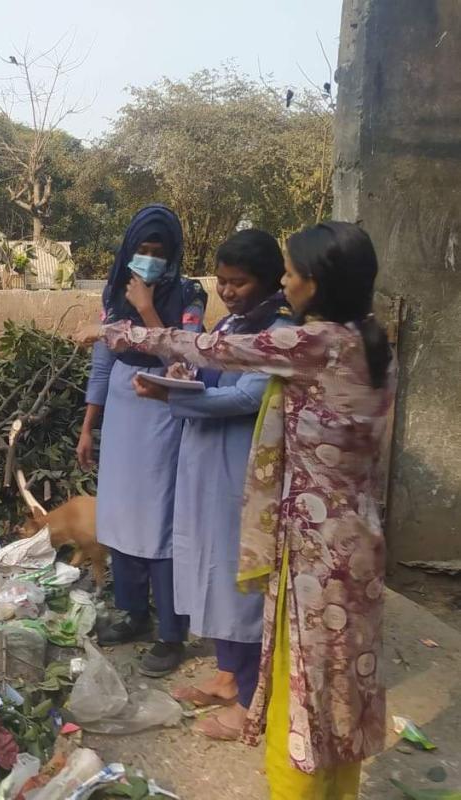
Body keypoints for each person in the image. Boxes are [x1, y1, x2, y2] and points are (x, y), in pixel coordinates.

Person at [78, 221, 393, 799]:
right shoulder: (370, 341)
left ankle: (299, 787)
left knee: (302, 689)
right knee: (339, 688)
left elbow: (210, 349)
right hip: (356, 535)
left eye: (291, 275)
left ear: (314, 284)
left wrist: (127, 330)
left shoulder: (313, 343)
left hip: (314, 549)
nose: (286, 284)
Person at [129, 229, 289, 740]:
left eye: (238, 282)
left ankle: (248, 701)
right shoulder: (237, 322)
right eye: (221, 281)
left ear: (268, 280)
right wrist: (180, 373)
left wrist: (169, 397)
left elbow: (247, 397)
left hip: (239, 466)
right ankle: (226, 676)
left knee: (235, 580)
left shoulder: (278, 329)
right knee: (208, 564)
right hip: (208, 458)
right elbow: (213, 372)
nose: (227, 291)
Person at [78, 204, 207, 677]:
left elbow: (188, 359)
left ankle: (171, 633)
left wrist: (149, 309)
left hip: (162, 408)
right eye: (141, 250)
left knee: (160, 525)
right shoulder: (113, 293)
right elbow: (103, 360)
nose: (149, 259)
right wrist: (90, 425)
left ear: (172, 255)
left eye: (159, 252)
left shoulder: (189, 295)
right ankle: (134, 613)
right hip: (123, 415)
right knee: (121, 518)